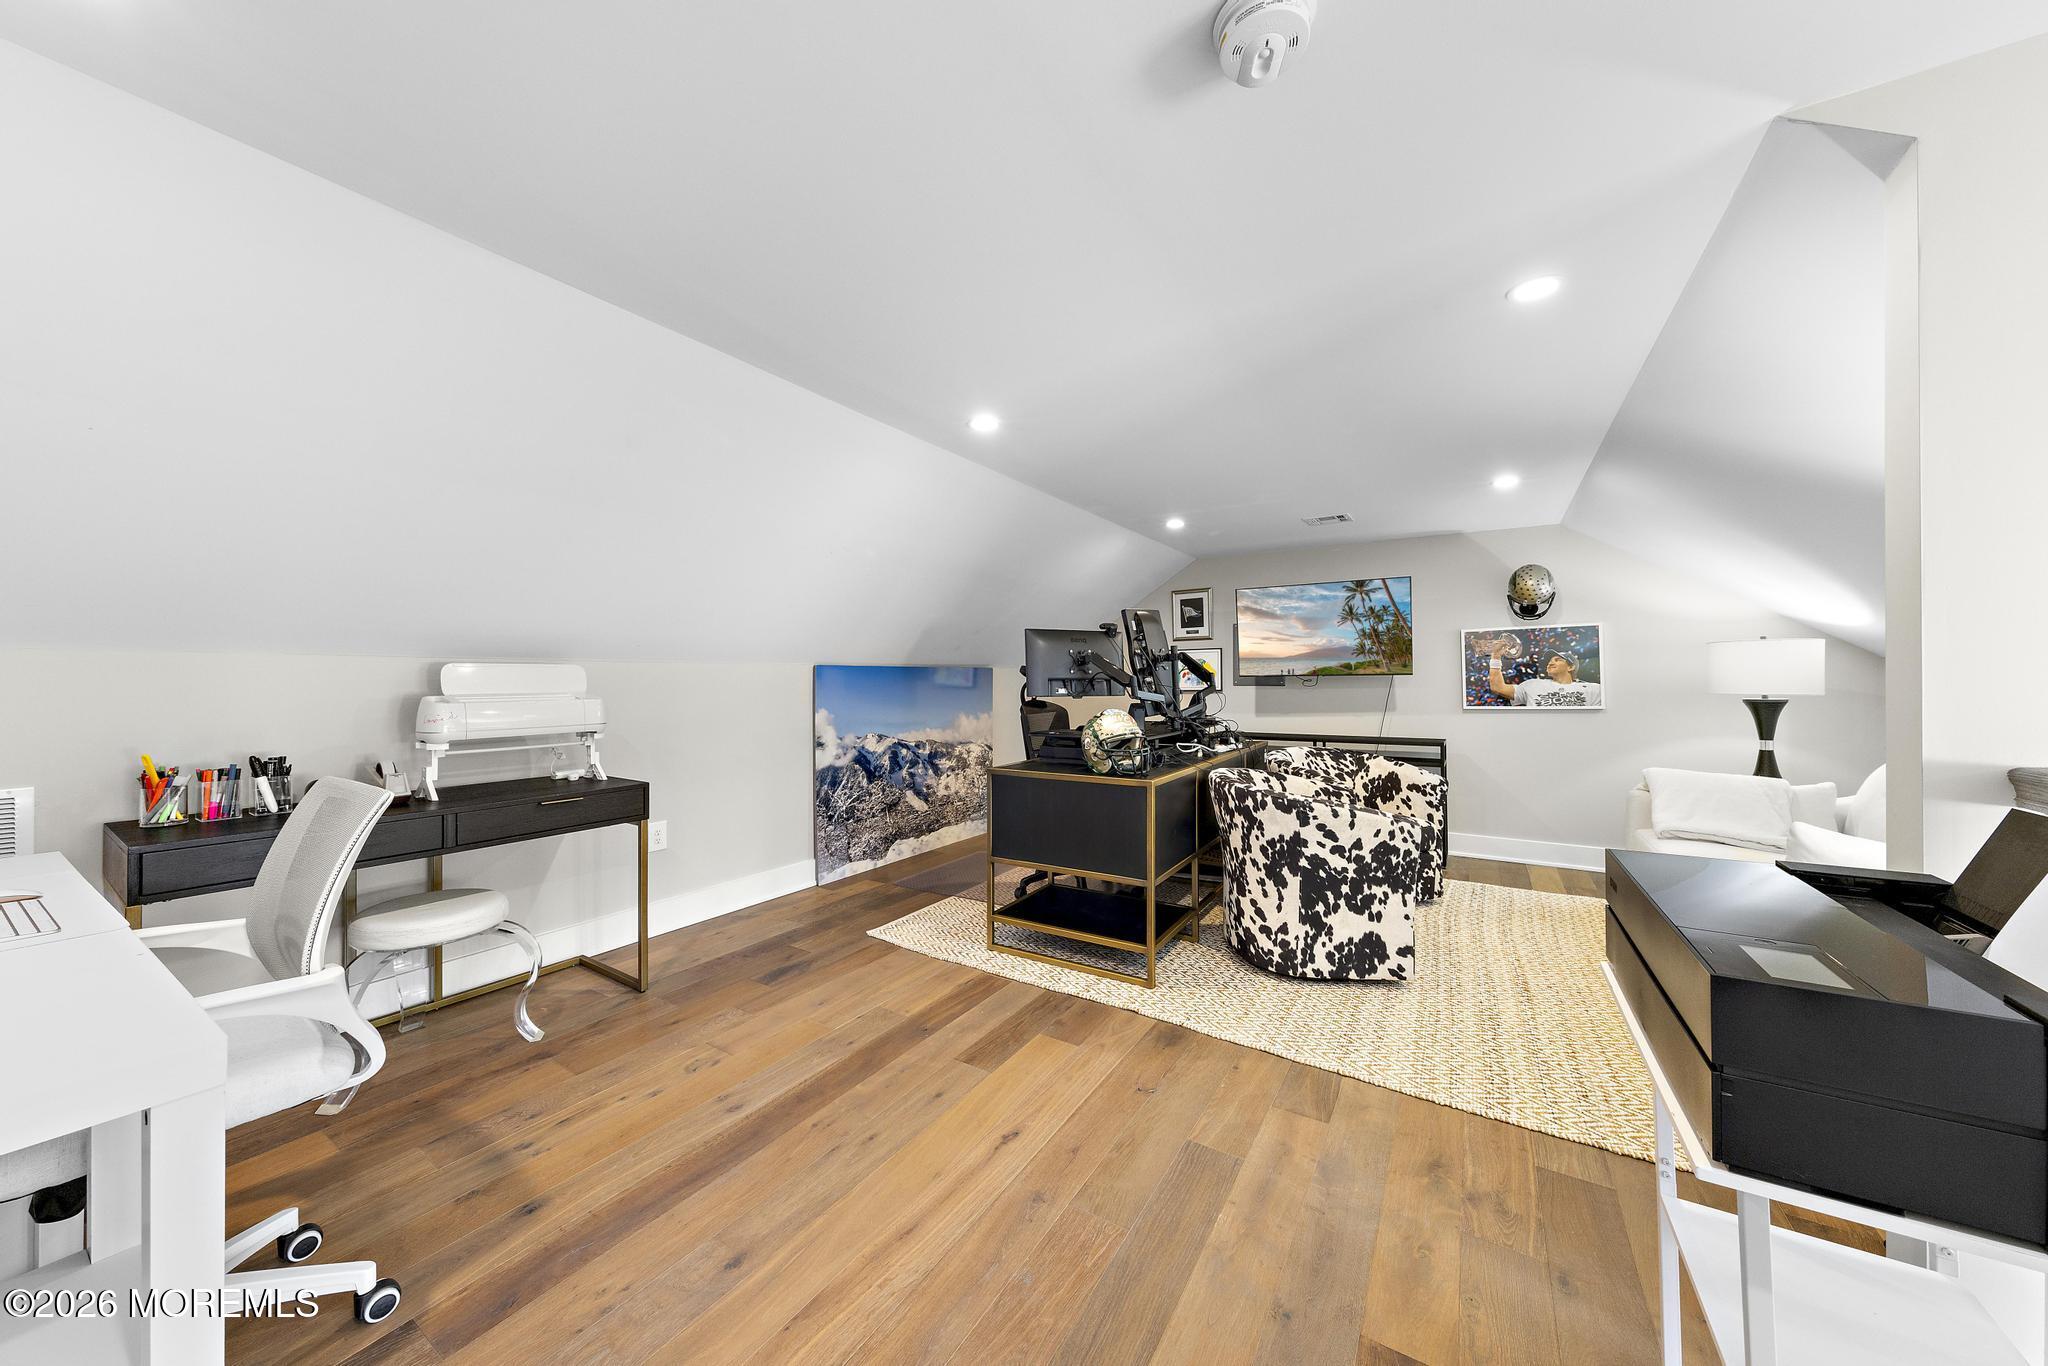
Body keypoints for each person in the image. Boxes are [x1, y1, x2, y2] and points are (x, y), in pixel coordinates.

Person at [1487, 647, 1601, 708]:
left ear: (1571, 667)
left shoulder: (1594, 689)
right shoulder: (1532, 685)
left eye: (1557, 660)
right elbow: (1498, 687)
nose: (1550, 663)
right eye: (1549, 661)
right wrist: (1496, 656)